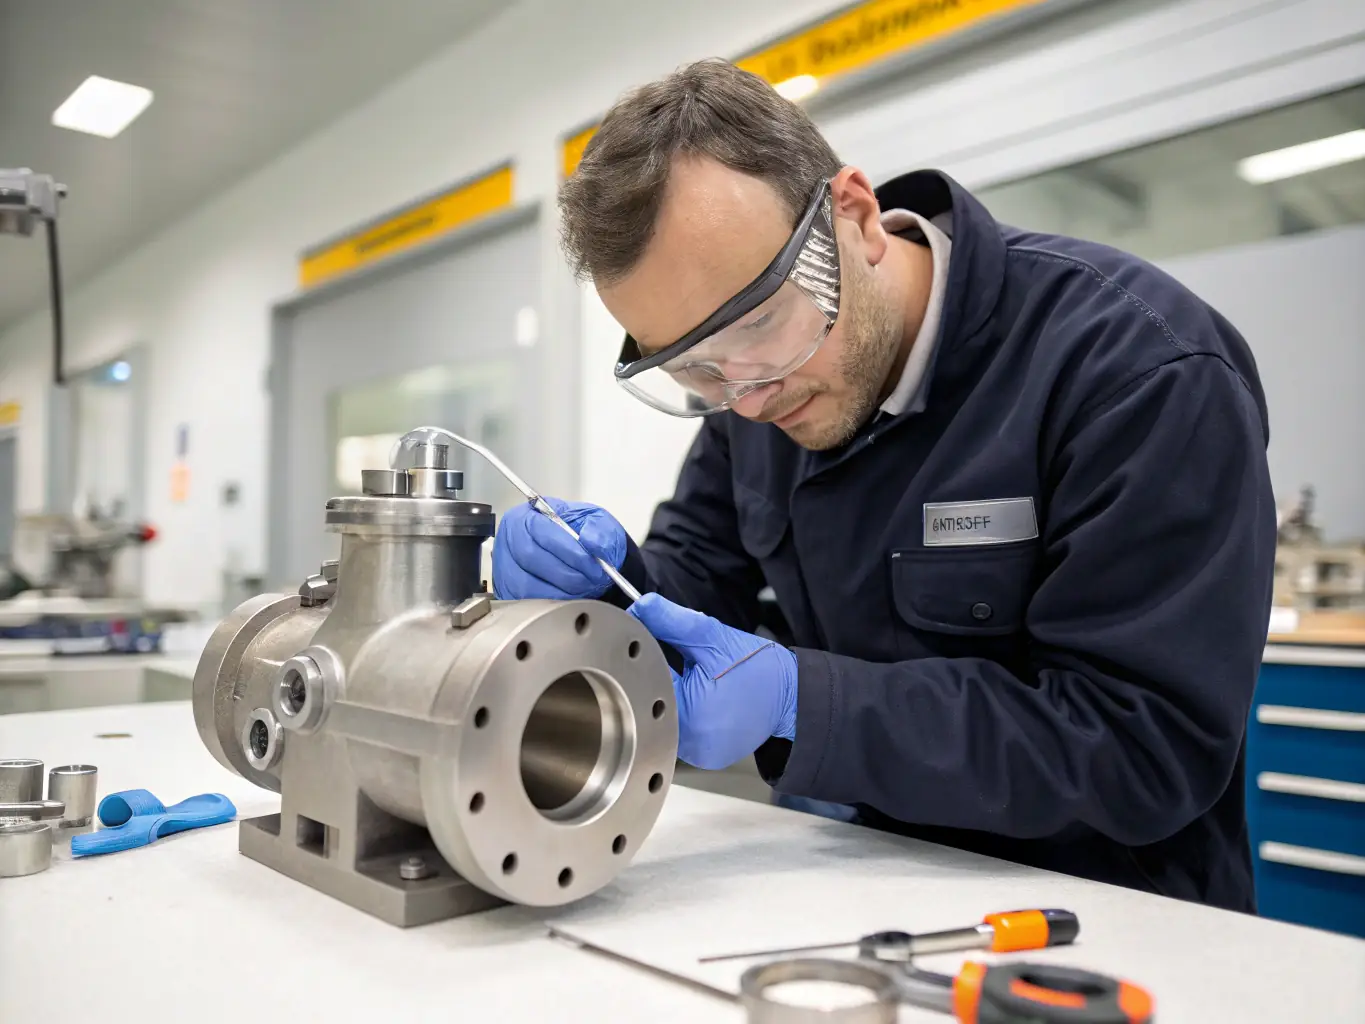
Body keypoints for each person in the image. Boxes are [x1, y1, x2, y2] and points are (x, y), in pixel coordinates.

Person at [492, 59, 1275, 912]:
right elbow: (697, 592)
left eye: (756, 324)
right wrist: (608, 592)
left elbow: (1142, 745)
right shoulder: (753, 388)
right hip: (860, 879)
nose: (745, 397)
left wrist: (805, 701)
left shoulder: (1137, 369)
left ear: (854, 218)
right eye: (692, 368)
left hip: (1100, 915)